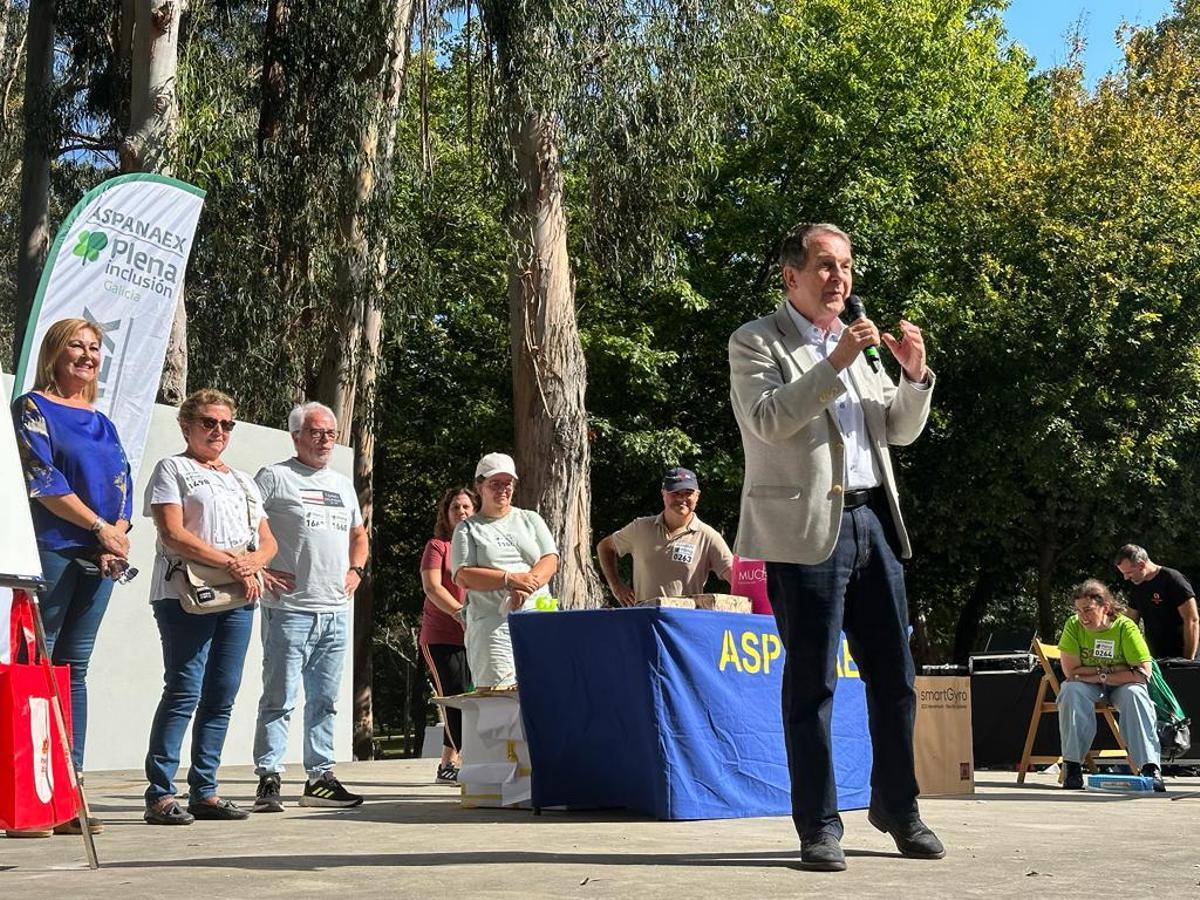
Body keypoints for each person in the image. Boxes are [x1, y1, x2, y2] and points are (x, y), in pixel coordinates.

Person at [727, 222, 941, 871]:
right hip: (805, 531)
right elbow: (766, 420)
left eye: (845, 266)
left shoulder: (864, 347)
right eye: (824, 265)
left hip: (874, 521)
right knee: (813, 685)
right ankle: (819, 825)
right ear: (791, 276)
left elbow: (895, 433)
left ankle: (897, 807)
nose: (839, 278)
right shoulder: (756, 341)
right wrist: (836, 362)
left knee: (897, 679)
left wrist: (913, 377)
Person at [9, 318, 132, 837]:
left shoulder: (103, 421)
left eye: (94, 348)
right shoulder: (32, 409)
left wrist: (116, 535)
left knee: (72, 670)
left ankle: (67, 793)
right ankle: (26, 799)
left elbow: (123, 482)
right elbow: (43, 480)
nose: (86, 355)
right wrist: (101, 528)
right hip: (52, 553)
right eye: (76, 346)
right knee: (34, 666)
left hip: (100, 556)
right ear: (55, 353)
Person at [143, 389, 277, 826]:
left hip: (238, 596)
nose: (218, 431)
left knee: (222, 693)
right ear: (186, 426)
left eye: (226, 424)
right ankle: (160, 792)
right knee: (184, 688)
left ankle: (206, 790)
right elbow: (172, 534)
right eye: (208, 422)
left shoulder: (242, 479)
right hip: (186, 593)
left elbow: (268, 538)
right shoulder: (173, 468)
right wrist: (234, 564)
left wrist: (255, 561)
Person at [250, 402, 369, 813]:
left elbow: (359, 533)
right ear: (296, 435)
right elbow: (244, 524)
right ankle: (269, 778)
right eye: (316, 432)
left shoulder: (341, 483)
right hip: (288, 609)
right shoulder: (274, 477)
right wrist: (258, 570)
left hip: (334, 610)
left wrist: (356, 570)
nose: (324, 441)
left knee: (326, 700)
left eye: (331, 434)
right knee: (279, 697)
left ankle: (319, 778)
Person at [451, 453, 558, 688]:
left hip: (537, 618)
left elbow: (550, 559)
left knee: (544, 691)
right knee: (498, 701)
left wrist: (526, 585)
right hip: (492, 626)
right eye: (494, 483)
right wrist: (509, 580)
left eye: (507, 483)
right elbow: (463, 574)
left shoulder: (530, 519)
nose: (503, 489)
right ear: (479, 486)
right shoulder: (467, 528)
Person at [1057, 579, 1164, 791]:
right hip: (1091, 685)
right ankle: (1072, 766)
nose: (1082, 617)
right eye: (1078, 611)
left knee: (1136, 694)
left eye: (1088, 610)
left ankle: (1150, 768)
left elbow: (1142, 674)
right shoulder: (1073, 625)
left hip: (1121, 686)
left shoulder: (1125, 626)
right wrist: (1115, 669)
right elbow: (1071, 673)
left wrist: (1101, 675)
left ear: (1105, 607)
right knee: (1070, 690)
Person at [596, 466, 734, 605]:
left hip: (684, 621)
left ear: (697, 496)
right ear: (663, 493)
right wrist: (617, 587)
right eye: (675, 493)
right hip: (644, 619)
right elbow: (605, 547)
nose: (682, 498)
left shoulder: (708, 536)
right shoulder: (640, 528)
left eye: (688, 493)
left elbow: (735, 576)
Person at [419, 487, 478, 784]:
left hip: (475, 636)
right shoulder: (438, 546)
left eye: (467, 507)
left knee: (465, 698)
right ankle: (470, 764)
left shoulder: (480, 547)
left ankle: (447, 766)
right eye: (455, 507)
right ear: (446, 514)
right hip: (441, 635)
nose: (462, 512)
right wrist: (460, 614)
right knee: (454, 698)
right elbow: (432, 587)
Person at [1114, 544, 1198, 660]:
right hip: (1153, 657)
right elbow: (1130, 622)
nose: (1126, 578)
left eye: (1129, 573)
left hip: (1180, 655)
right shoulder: (1137, 585)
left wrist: (1188, 659)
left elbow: (1192, 620)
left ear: (1141, 565)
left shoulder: (1173, 579)